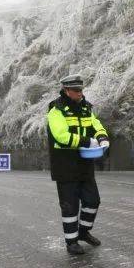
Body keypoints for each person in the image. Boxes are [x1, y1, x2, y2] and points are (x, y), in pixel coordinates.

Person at [46, 74, 110, 255]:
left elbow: (96, 125)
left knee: (93, 201)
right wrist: (86, 142)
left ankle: (83, 232)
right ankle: (71, 241)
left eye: (81, 90)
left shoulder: (85, 108)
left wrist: (102, 137)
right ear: (66, 90)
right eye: (75, 90)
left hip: (84, 164)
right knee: (70, 206)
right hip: (65, 166)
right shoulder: (56, 110)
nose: (79, 93)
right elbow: (61, 136)